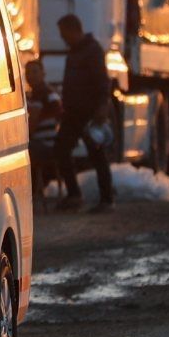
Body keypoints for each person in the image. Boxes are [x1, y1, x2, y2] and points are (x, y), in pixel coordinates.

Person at [53, 15, 115, 212]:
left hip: (90, 113)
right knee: (61, 149)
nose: (63, 39)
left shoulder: (92, 51)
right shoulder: (74, 52)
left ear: (73, 30)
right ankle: (74, 195)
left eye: (64, 34)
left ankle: (107, 200)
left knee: (97, 156)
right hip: (72, 113)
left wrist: (102, 107)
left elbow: (102, 82)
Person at [25, 60, 62, 204]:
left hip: (46, 145)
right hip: (44, 144)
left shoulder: (45, 93)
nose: (31, 76)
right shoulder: (36, 94)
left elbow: (33, 121)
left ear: (43, 73)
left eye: (35, 72)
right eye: (28, 72)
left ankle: (31, 194)